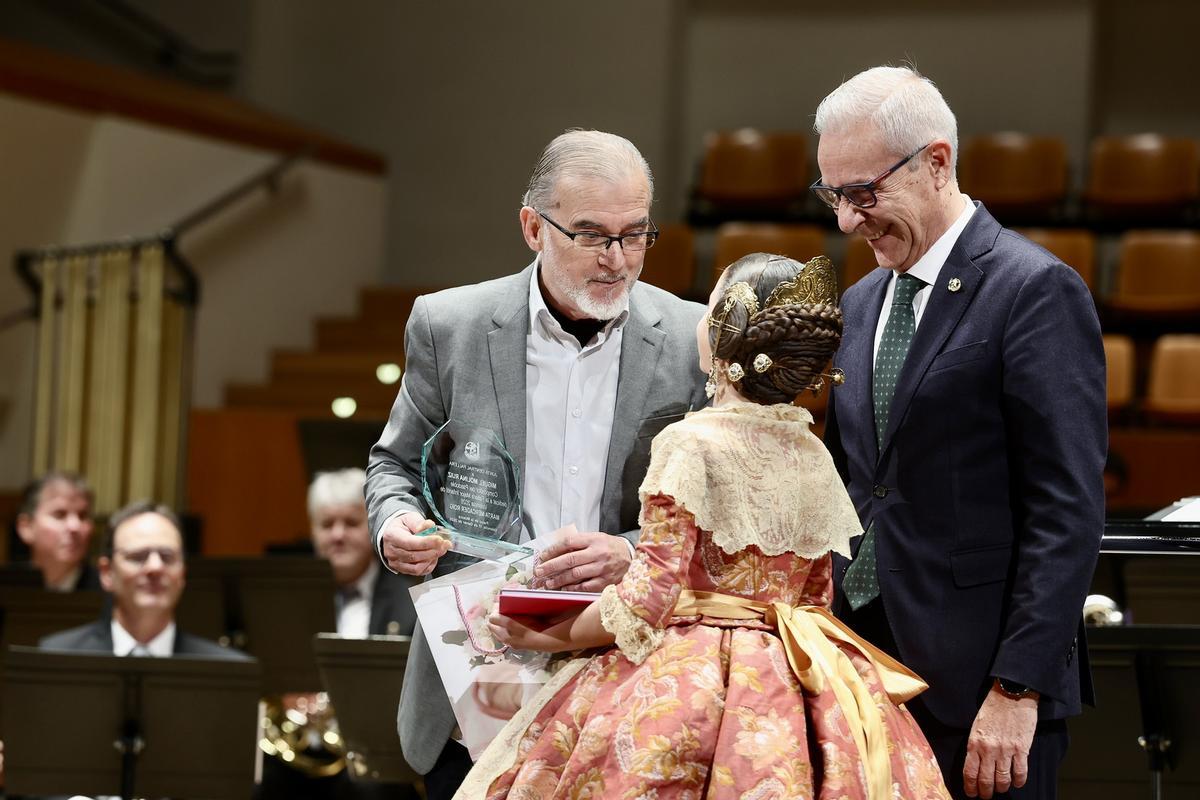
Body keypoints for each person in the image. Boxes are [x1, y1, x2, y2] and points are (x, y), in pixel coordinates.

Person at [451, 253, 951, 799]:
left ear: (724, 332)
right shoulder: (811, 451)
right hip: (796, 669)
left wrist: (548, 634)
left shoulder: (689, 443)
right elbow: (814, 599)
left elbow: (647, 599)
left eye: (709, 308)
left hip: (689, 675)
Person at [366, 129, 708, 799]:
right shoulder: (449, 326)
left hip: (623, 685)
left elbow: (713, 515)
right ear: (532, 227)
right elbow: (395, 465)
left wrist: (631, 551)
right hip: (477, 677)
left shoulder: (691, 339)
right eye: (591, 235)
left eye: (635, 235)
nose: (617, 259)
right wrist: (395, 523)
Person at [812, 66, 1106, 799]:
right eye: (833, 195)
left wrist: (1018, 688)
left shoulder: (1034, 289)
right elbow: (849, 485)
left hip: (984, 695)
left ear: (936, 162)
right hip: (862, 676)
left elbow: (1066, 511)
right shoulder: (861, 299)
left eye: (863, 193)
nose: (846, 220)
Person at [40, 500, 245, 659]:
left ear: (182, 574)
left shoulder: (225, 669)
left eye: (167, 557)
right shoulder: (57, 656)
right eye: (138, 557)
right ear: (107, 573)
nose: (155, 567)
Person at [311, 468, 417, 638]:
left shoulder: (411, 604)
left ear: (374, 527)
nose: (338, 535)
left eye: (351, 523)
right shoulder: (289, 602)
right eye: (327, 524)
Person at [14, 471, 101, 591]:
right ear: (26, 527)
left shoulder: (110, 591)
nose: (75, 526)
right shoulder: (7, 586)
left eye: (82, 516)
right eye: (59, 515)